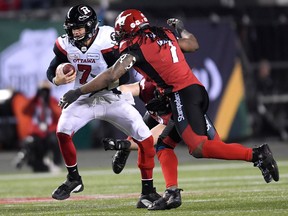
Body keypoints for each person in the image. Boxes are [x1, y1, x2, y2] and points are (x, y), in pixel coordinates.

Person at [59, 9, 279, 211]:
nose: (119, 36)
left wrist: (78, 92)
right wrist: (180, 28)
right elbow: (192, 45)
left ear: (130, 31)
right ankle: (172, 192)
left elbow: (111, 75)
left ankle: (257, 154)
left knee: (200, 148)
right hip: (192, 91)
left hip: (182, 95)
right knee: (165, 145)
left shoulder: (135, 46)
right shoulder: (165, 33)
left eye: (122, 32)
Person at [46, 5, 160, 207]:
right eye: (72, 28)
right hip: (83, 100)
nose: (75, 32)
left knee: (145, 138)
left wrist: (98, 85)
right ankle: (74, 178)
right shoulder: (65, 44)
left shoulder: (108, 39)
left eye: (79, 27)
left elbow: (123, 75)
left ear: (91, 25)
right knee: (62, 131)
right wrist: (56, 78)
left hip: (111, 97)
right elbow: (52, 67)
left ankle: (148, 192)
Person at [13, 80, 62, 172]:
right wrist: (35, 97)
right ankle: (25, 156)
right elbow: (24, 110)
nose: (44, 93)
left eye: (46, 90)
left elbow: (58, 114)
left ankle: (56, 163)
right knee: (29, 142)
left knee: (55, 140)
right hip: (37, 132)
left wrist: (49, 102)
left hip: (49, 131)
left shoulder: (53, 101)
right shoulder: (34, 102)